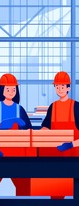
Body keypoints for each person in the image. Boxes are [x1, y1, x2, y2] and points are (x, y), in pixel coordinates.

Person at [40, 71, 79, 199]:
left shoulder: (76, 107)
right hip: (57, 155)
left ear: (68, 88)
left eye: (62, 86)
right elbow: (46, 127)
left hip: (74, 156)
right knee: (57, 193)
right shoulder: (53, 107)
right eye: (57, 86)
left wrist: (71, 144)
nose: (60, 89)